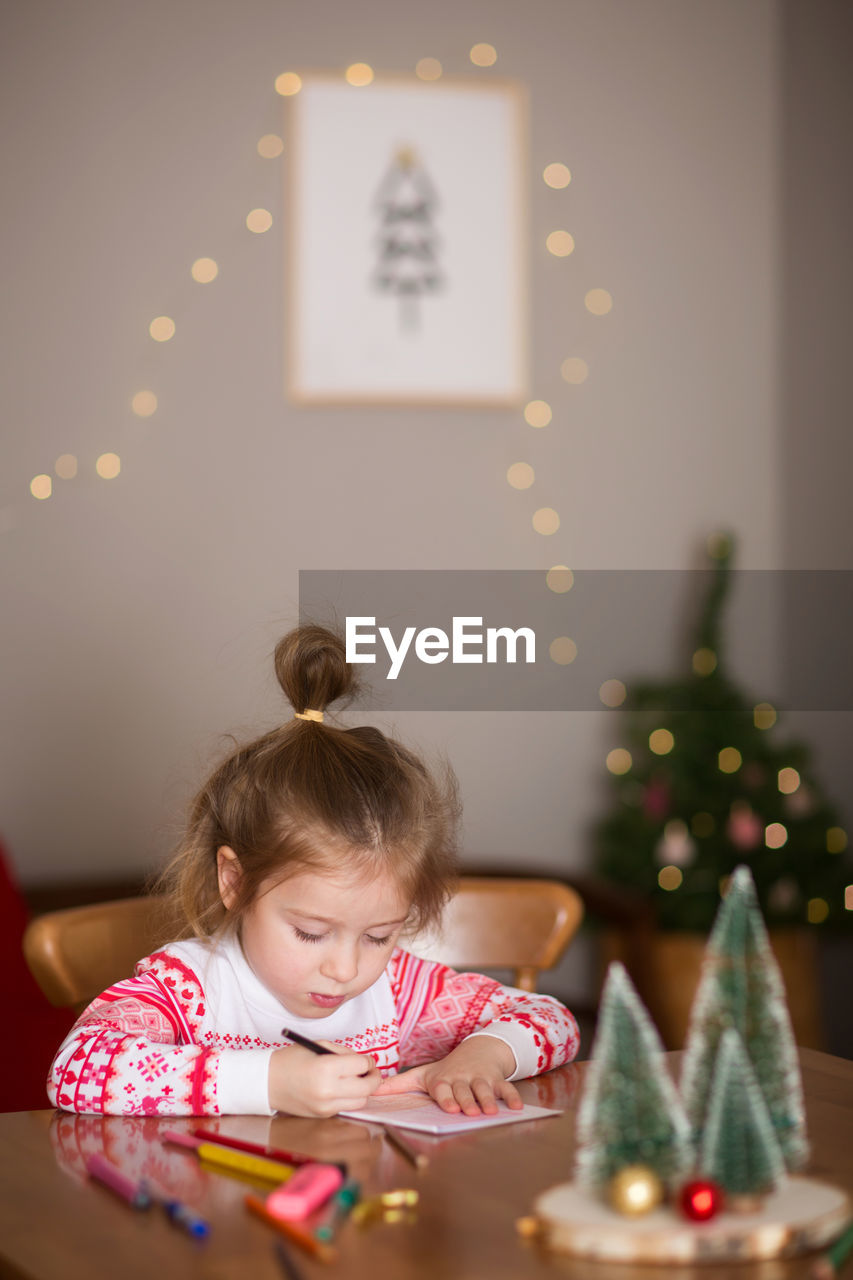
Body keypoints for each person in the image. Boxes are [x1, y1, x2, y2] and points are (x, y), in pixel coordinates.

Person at [48, 625, 580, 1118]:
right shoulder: (190, 989)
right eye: (311, 932)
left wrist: (484, 1056)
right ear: (234, 882)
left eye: (379, 936)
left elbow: (554, 1020)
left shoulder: (398, 990)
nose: (346, 969)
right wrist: (268, 1081)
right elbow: (76, 1068)